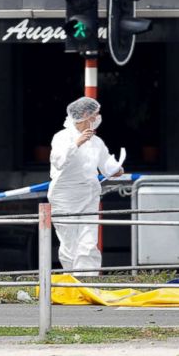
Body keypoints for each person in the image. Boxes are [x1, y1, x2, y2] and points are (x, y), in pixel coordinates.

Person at [48, 96, 123, 273]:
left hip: (89, 195)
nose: (98, 118)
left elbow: (106, 164)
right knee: (70, 244)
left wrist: (116, 169)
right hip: (65, 197)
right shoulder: (62, 137)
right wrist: (77, 143)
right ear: (85, 115)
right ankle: (73, 283)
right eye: (95, 115)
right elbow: (58, 160)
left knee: (88, 242)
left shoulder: (96, 142)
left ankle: (88, 282)